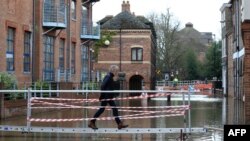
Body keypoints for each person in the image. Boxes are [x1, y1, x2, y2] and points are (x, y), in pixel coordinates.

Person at [88, 65, 128, 130]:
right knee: (102, 110)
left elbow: (107, 86)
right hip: (106, 96)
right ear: (113, 70)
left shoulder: (110, 77)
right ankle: (92, 122)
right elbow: (103, 86)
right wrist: (102, 95)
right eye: (116, 71)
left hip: (109, 96)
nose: (117, 72)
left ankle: (119, 124)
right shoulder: (108, 77)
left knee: (114, 109)